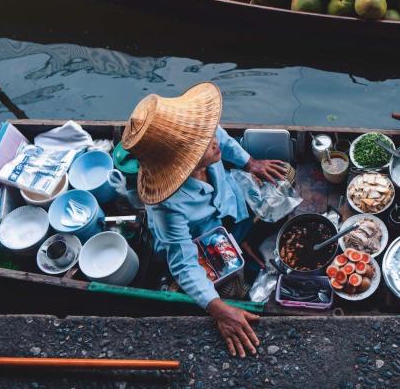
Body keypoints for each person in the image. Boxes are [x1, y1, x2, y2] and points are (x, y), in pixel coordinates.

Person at [121, 82, 286, 358]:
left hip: (228, 206)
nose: (214, 141)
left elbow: (225, 142)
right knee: (220, 281)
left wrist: (250, 163)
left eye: (210, 135)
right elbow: (184, 263)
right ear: (186, 163)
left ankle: (241, 241)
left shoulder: (203, 133)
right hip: (201, 237)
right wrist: (218, 309)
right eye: (204, 147)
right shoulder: (167, 206)